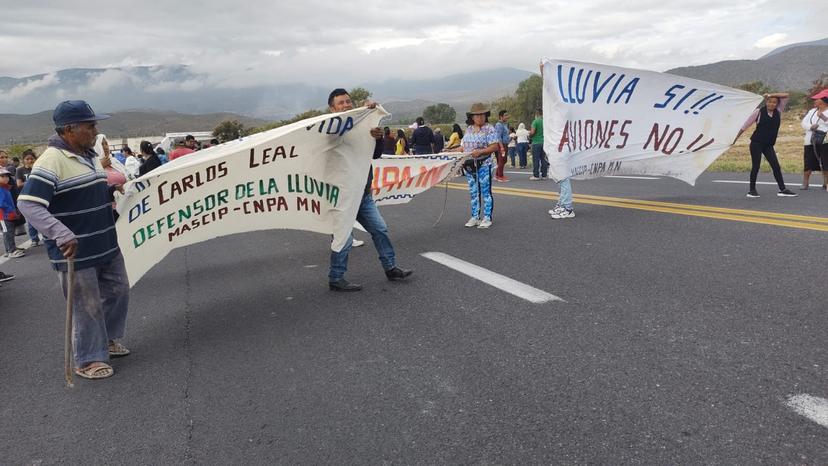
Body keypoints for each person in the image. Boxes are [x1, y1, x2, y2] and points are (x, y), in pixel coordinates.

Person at [18, 100, 130, 380]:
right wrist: (59, 232)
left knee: (118, 290)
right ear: (70, 129)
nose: (96, 130)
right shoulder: (51, 160)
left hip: (105, 243)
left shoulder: (90, 155)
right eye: (90, 125)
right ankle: (88, 359)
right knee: (86, 305)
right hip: (75, 250)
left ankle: (106, 339)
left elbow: (87, 191)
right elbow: (28, 204)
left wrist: (112, 189)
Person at [325, 89, 412, 291]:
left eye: (348, 101)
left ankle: (391, 268)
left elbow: (375, 154)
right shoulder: (329, 131)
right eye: (341, 103)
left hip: (363, 194)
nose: (346, 105)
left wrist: (377, 136)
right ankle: (336, 278)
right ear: (332, 108)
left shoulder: (363, 126)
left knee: (380, 229)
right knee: (343, 239)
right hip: (343, 196)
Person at [735, 93, 797, 198]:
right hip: (756, 143)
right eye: (769, 101)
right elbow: (745, 126)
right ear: (766, 102)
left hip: (768, 145)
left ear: (777, 104)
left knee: (776, 166)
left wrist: (771, 94)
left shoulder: (779, 111)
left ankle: (782, 189)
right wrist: (735, 138)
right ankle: (752, 190)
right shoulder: (758, 112)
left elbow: (786, 95)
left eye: (774, 102)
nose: (771, 104)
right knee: (756, 166)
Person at [450, 103, 499, 229]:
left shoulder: (490, 129)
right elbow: (464, 147)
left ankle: (487, 217)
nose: (480, 117)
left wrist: (481, 152)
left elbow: (494, 146)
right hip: (470, 165)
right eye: (477, 115)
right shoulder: (469, 129)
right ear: (472, 117)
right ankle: (475, 217)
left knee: (485, 191)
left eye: (482, 115)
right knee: (473, 191)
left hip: (484, 164)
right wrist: (450, 151)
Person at [801, 96, 828, 190]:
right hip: (810, 140)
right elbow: (803, 123)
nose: (815, 100)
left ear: (823, 101)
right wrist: (810, 127)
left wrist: (823, 117)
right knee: (808, 161)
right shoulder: (812, 111)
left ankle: (826, 183)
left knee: (825, 162)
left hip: (825, 140)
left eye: (817, 99)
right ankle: (805, 183)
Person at [15, 150, 41, 246]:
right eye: (27, 159)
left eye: (32, 159)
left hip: (40, 195)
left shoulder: (38, 168)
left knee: (44, 217)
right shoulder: (20, 170)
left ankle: (48, 236)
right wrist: (32, 180)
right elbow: (19, 184)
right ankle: (34, 239)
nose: (30, 161)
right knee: (31, 219)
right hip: (27, 197)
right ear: (23, 160)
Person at [0, 168, 25, 258]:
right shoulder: (1, 189)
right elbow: (2, 203)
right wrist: (11, 210)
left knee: (10, 232)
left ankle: (11, 248)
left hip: (8, 214)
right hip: (4, 215)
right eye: (2, 176)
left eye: (7, 176)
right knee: (8, 233)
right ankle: (11, 251)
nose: (6, 178)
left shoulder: (5, 188)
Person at [529, 108, 549, 180]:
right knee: (544, 159)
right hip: (544, 142)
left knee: (536, 159)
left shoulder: (535, 122)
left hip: (536, 143)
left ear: (537, 114)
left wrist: (530, 135)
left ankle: (536, 175)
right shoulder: (546, 122)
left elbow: (532, 132)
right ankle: (544, 175)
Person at [493, 110, 511, 182]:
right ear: (501, 117)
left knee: (504, 160)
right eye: (505, 115)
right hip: (501, 144)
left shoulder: (504, 124)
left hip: (505, 143)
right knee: (501, 159)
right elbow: (498, 137)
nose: (507, 117)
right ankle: (500, 176)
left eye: (507, 115)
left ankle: (498, 174)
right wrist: (502, 147)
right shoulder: (499, 125)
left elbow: (505, 135)